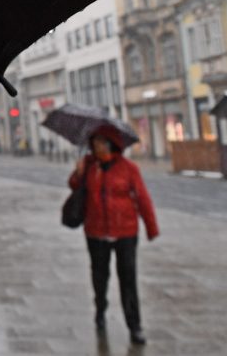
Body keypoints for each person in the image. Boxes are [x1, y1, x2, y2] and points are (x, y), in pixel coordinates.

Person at [68, 126, 159, 346]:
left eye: (101, 142)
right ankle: (100, 309)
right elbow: (73, 186)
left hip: (125, 231)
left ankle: (134, 325)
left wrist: (151, 227)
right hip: (96, 230)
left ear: (111, 144)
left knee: (128, 279)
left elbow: (142, 198)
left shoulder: (128, 168)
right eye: (95, 142)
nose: (96, 146)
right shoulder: (90, 166)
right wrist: (78, 172)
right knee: (100, 276)